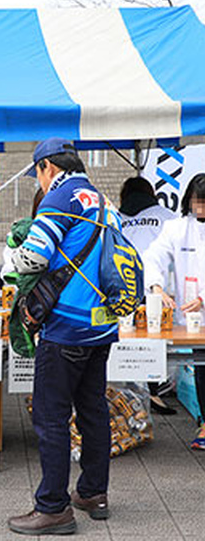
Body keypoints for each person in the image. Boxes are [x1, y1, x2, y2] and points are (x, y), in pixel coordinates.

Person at [7, 138, 119, 535]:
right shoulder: (105, 203)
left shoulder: (59, 198)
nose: (38, 180)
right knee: (93, 410)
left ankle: (53, 507)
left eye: (37, 173)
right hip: (102, 325)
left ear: (47, 167)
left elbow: (34, 256)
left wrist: (10, 259)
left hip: (65, 328)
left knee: (51, 416)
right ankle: (94, 493)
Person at [143, 173, 205, 449]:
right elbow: (153, 256)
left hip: (199, 305)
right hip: (192, 319)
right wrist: (156, 286)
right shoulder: (177, 228)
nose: (199, 208)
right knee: (203, 368)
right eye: (196, 202)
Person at [119, 176, 177, 415]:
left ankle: (131, 395)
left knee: (126, 342)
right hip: (154, 291)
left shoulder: (116, 218)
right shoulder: (166, 217)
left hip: (121, 290)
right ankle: (152, 392)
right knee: (153, 339)